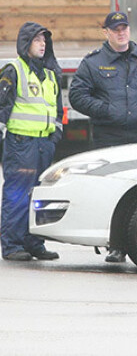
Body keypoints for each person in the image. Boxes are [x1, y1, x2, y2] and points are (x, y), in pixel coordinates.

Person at [69, 11, 137, 263]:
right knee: (113, 193)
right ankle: (115, 245)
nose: (121, 32)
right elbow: (77, 95)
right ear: (106, 32)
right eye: (115, 29)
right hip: (108, 138)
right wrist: (104, 110)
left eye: (124, 27)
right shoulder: (93, 63)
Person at [0, 22, 63, 261]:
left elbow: (57, 110)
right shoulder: (14, 70)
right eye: (37, 40)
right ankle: (12, 245)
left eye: (44, 41)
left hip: (43, 145)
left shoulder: (49, 74)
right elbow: (2, 108)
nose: (42, 44)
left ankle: (34, 242)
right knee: (17, 195)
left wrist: (55, 135)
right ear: (26, 44)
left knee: (39, 196)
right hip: (21, 144)